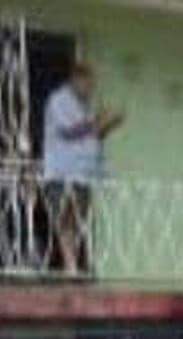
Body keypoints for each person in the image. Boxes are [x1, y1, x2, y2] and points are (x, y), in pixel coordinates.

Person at [41, 63, 126, 277]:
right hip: (63, 172)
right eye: (88, 83)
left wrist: (109, 125)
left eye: (92, 84)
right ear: (76, 79)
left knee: (79, 219)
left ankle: (75, 264)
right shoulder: (60, 100)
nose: (91, 88)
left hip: (85, 173)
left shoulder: (84, 105)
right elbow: (70, 132)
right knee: (65, 218)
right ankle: (70, 266)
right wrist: (98, 120)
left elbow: (93, 136)